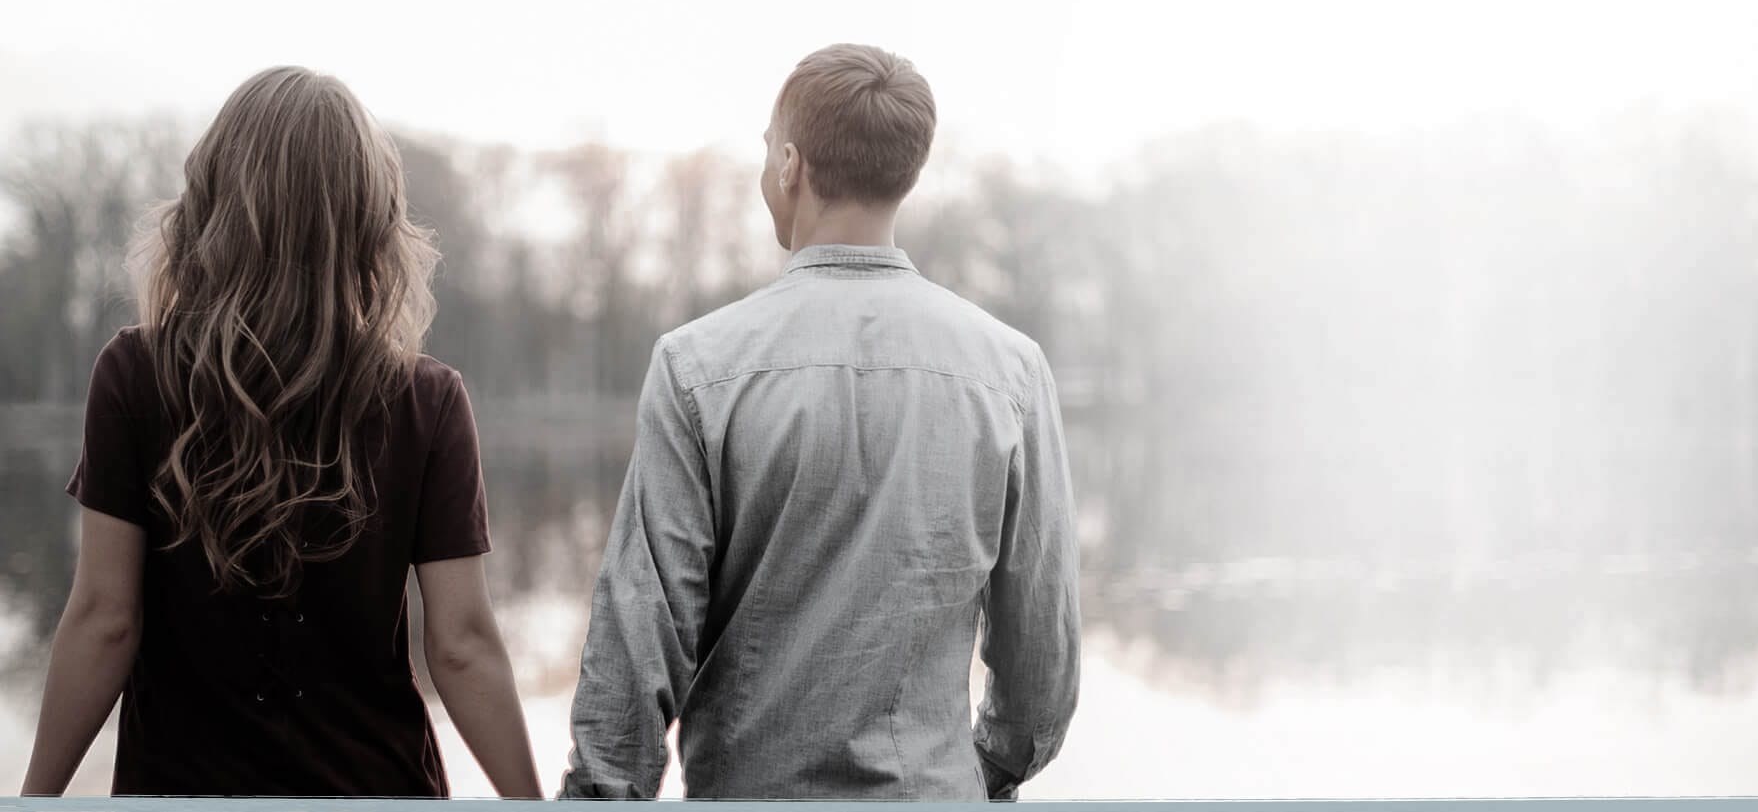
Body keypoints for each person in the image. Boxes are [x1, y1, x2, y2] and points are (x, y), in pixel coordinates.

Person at [559, 43, 1082, 801]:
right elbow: (1041, 675)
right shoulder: (1011, 372)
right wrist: (968, 771)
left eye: (767, 150)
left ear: (791, 165)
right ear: (905, 172)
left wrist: (600, 797)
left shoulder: (697, 366)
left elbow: (641, 637)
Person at [19, 66, 541, 799]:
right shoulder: (428, 400)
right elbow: (461, 645)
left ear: (215, 203)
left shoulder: (135, 373)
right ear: (368, 221)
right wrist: (535, 806)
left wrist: (33, 799)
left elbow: (106, 619)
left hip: (182, 797)